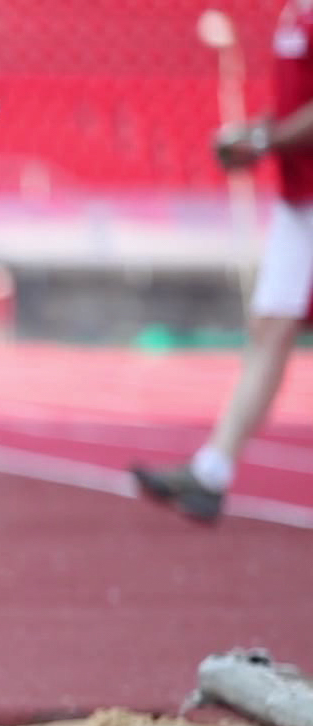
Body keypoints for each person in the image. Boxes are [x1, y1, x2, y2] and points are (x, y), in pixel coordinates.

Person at [132, 0, 313, 524]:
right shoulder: (295, 11)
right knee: (268, 328)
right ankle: (212, 470)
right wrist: (257, 133)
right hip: (298, 200)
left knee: (272, 329)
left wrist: (264, 140)